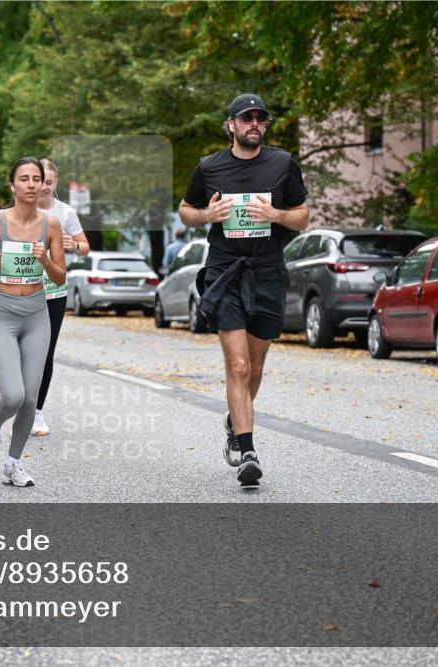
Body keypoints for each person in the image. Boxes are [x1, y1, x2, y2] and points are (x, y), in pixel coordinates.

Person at [178, 93, 309, 488]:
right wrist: (208, 214)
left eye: (260, 118)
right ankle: (247, 451)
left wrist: (276, 215)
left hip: (267, 271)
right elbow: (185, 211)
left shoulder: (282, 163)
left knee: (254, 366)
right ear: (231, 125)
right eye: (246, 118)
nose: (254, 124)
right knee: (237, 366)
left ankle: (236, 420)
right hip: (226, 271)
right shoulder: (210, 167)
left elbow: (302, 217)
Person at [0, 158, 66, 487]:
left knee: (30, 398)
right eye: (24, 178)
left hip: (37, 313)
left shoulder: (51, 225)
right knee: (12, 395)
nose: (32, 184)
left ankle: (13, 463)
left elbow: (60, 276)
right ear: (13, 185)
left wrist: (44, 258)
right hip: (3, 314)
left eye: (37, 178)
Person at [31, 158, 90, 437]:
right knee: (23, 352)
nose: (43, 187)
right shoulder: (20, 209)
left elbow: (85, 246)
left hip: (54, 291)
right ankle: (20, 401)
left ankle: (37, 412)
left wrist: (74, 245)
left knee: (45, 352)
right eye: (40, 180)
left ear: (55, 184)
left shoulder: (65, 212)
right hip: (23, 290)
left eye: (49, 182)